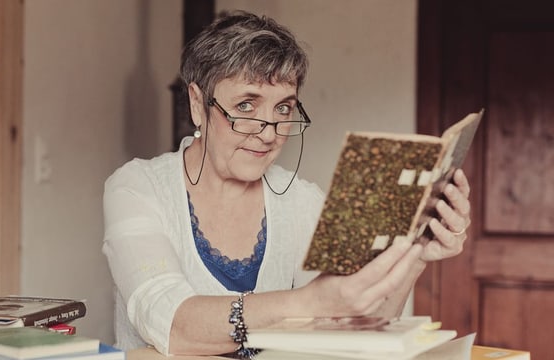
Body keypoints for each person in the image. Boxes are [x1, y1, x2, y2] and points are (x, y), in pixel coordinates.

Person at [102, 10, 471, 358]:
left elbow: (356, 330)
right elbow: (171, 325)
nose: (268, 132)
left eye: (283, 108)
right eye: (247, 105)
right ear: (198, 103)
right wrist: (312, 302)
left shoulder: (303, 202)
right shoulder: (137, 188)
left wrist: (415, 254)